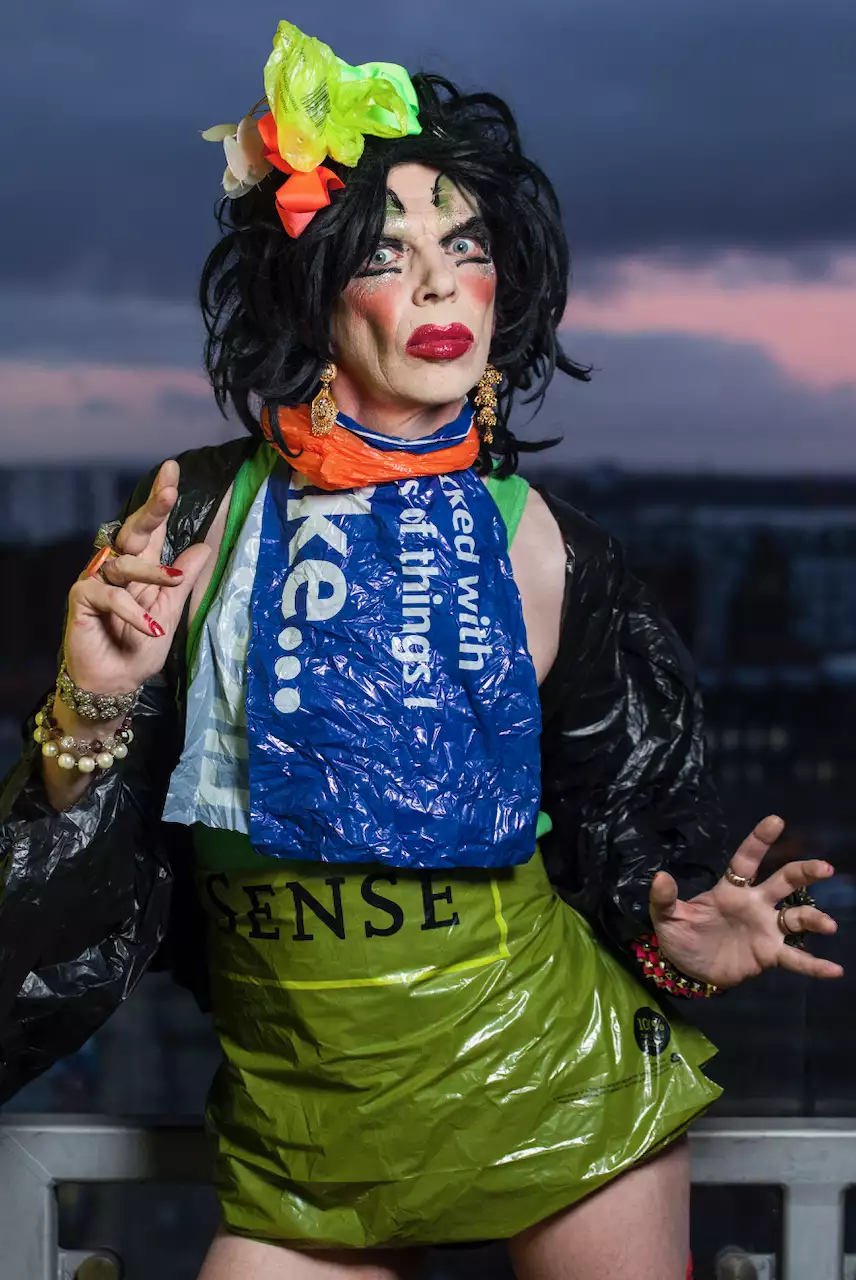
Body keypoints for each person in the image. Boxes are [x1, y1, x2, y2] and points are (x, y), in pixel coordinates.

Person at [0, 20, 843, 1280]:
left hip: (562, 1092)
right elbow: (82, 864)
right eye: (387, 252)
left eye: (465, 245)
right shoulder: (189, 523)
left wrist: (684, 941)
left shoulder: (549, 548)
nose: (441, 283)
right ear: (309, 289)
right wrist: (93, 701)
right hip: (304, 1132)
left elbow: (625, 835)